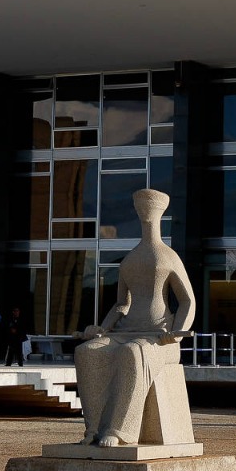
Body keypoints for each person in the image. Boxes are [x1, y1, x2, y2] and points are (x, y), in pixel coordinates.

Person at [74, 189, 196, 447]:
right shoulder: (129, 260)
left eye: (149, 210)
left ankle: (120, 430)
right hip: (125, 332)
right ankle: (93, 427)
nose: (145, 215)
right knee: (87, 352)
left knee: (132, 353)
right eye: (141, 209)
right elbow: (122, 304)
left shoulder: (168, 256)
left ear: (159, 213)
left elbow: (187, 300)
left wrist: (176, 332)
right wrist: (102, 329)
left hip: (160, 339)